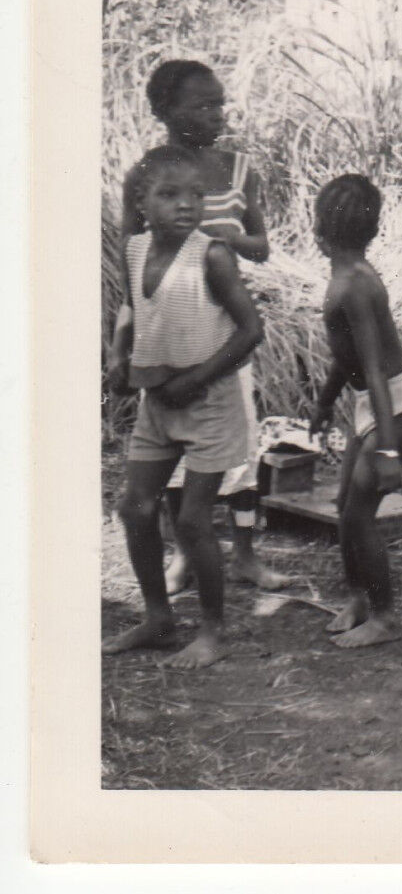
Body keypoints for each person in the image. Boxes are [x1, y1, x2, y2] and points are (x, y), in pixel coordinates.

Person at [117, 60, 287, 593]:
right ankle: (186, 555)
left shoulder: (239, 170)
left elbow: (261, 247)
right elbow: (130, 258)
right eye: (203, 105)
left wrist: (220, 239)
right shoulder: (147, 176)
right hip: (166, 333)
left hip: (225, 330)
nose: (218, 114)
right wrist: (124, 343)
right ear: (166, 112)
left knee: (235, 446)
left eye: (220, 103)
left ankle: (244, 554)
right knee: (170, 449)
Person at [104, 146, 264, 669]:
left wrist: (194, 379)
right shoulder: (134, 250)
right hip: (158, 402)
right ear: (141, 203)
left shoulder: (212, 256)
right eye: (169, 194)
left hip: (209, 400)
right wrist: (120, 356)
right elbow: (137, 310)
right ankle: (157, 616)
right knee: (135, 506)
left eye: (196, 194)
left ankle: (213, 632)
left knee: (193, 519)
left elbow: (249, 331)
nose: (186, 205)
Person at [307, 175, 402, 649]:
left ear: (318, 230)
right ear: (374, 231)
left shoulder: (356, 285)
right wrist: (323, 403)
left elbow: (377, 370)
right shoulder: (346, 277)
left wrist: (386, 450)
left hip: (397, 402)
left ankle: (384, 616)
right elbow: (349, 359)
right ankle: (359, 598)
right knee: (346, 508)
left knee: (360, 514)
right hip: (375, 402)